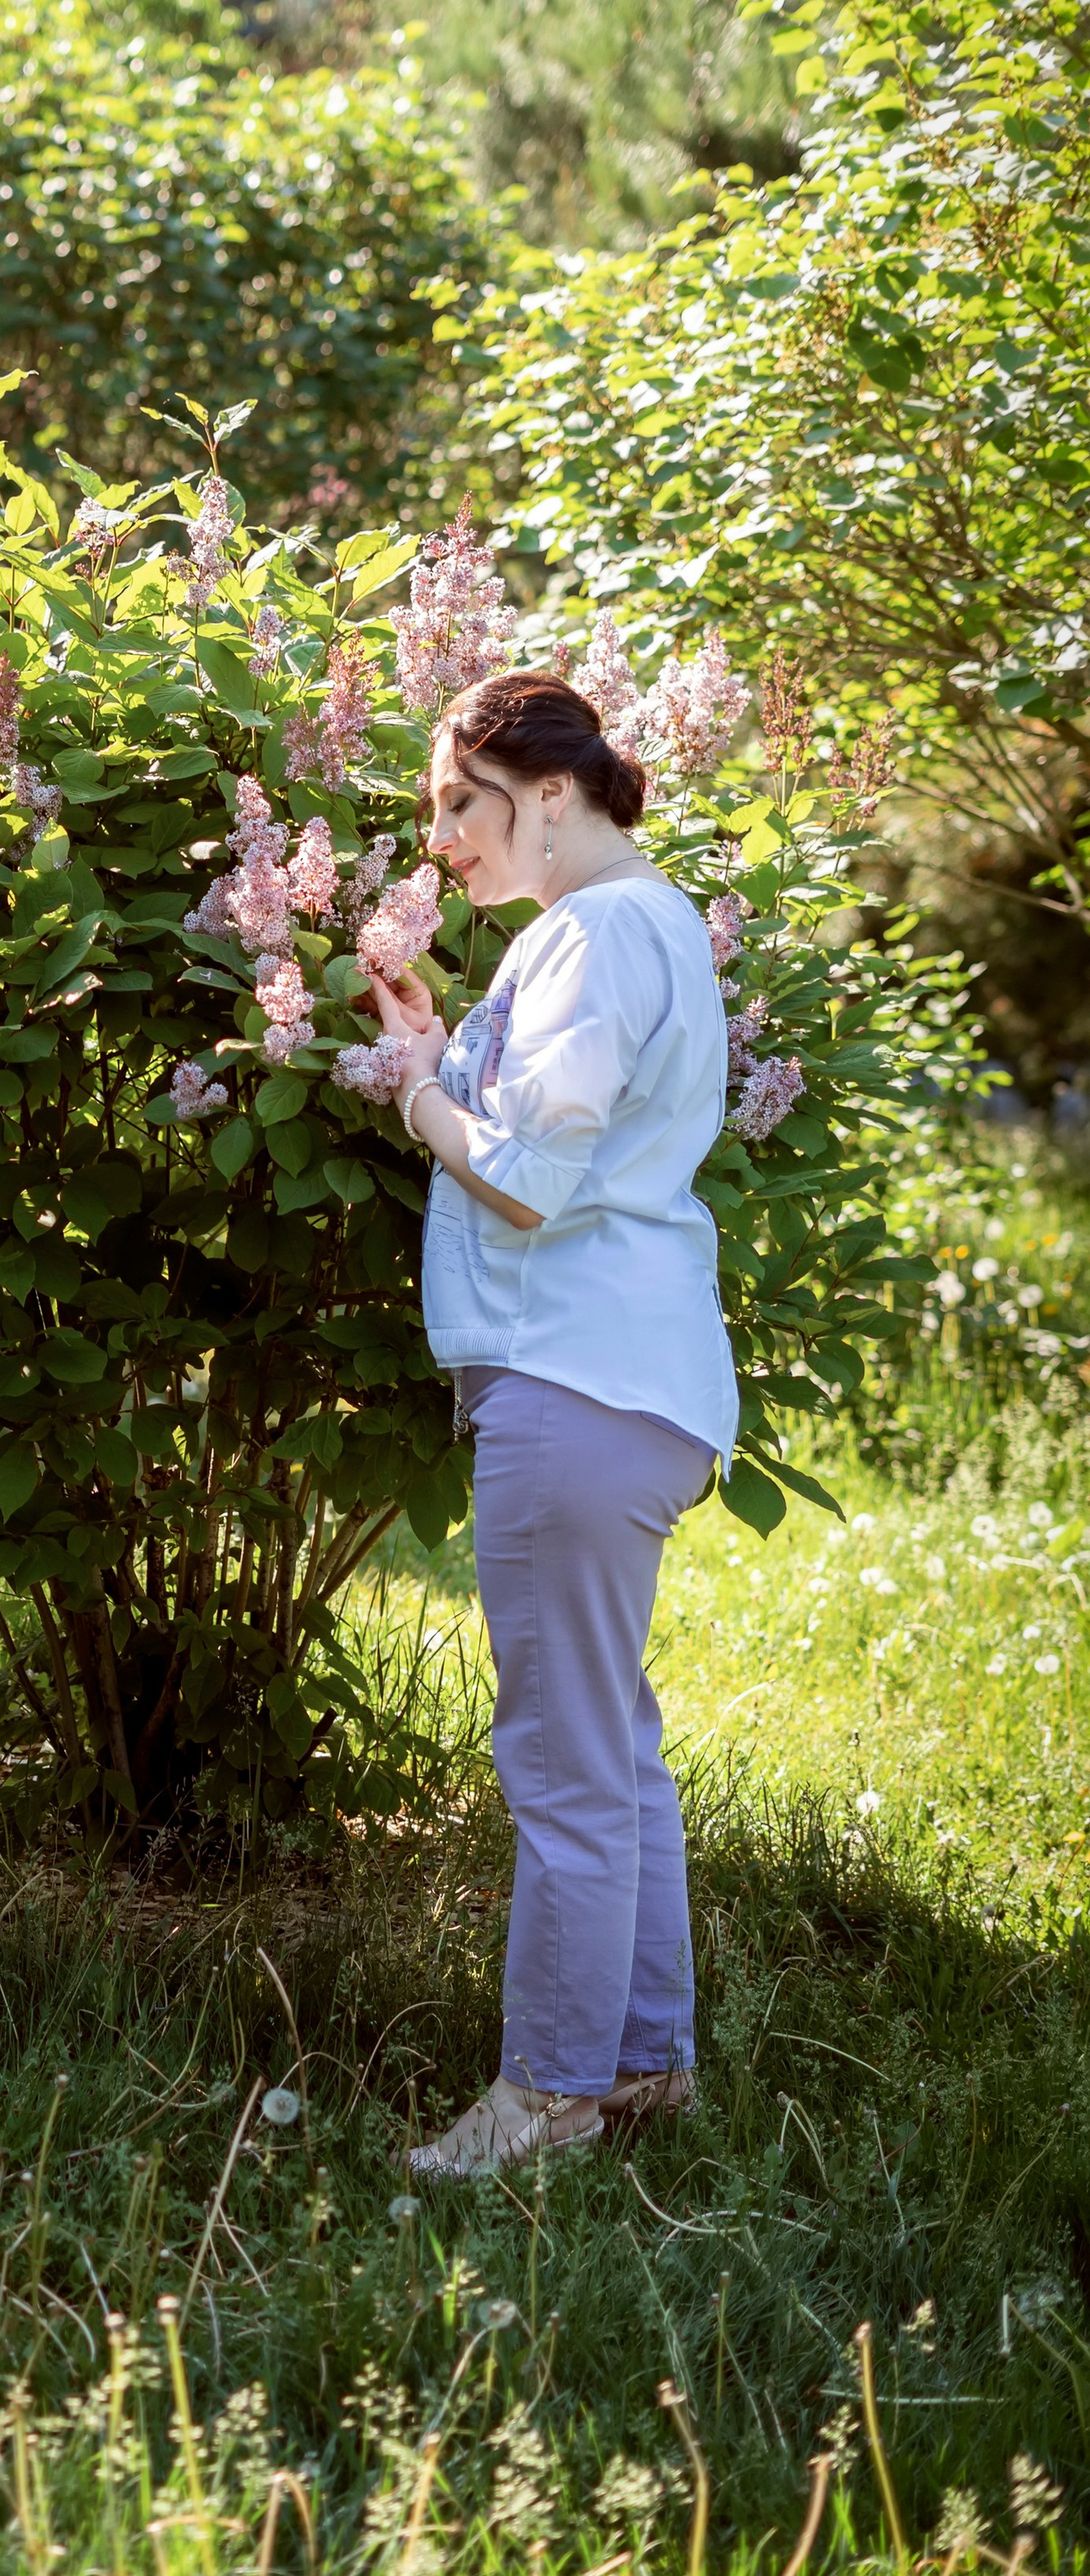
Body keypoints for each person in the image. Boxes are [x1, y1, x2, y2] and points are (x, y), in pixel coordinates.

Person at [366, 670, 738, 2177]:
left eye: (464, 801)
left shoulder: (596, 930)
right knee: (615, 1752)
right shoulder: (631, 929)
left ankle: (552, 2092)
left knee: (567, 1765)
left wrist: (413, 1097)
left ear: (555, 792)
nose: (445, 836)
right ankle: (642, 2066)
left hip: (576, 1386)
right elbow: (568, 1123)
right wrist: (455, 1039)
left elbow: (529, 1174)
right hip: (631, 1385)